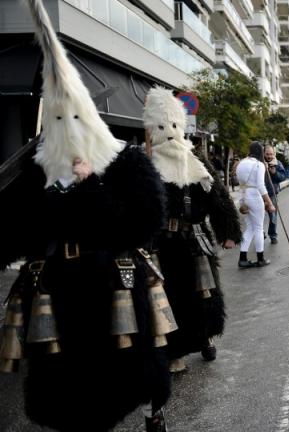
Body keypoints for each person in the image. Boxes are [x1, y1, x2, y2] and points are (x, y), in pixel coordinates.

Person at [0, 2, 171, 430]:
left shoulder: (124, 162)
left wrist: (92, 187)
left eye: (76, 117)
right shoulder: (34, 173)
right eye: (59, 118)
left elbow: (144, 222)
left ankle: (150, 409)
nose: (69, 127)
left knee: (119, 381)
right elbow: (15, 232)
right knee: (65, 398)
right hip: (54, 289)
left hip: (111, 282)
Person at [143, 87, 241, 374]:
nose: (170, 133)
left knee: (206, 294)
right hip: (162, 245)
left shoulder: (196, 161)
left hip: (195, 239)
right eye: (163, 127)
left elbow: (218, 197)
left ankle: (206, 337)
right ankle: (175, 351)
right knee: (169, 299)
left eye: (174, 125)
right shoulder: (146, 164)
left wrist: (228, 230)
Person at [236, 142, 275, 268]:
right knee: (258, 228)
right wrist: (270, 203)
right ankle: (260, 259)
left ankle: (242, 259)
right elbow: (260, 186)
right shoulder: (259, 165)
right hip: (254, 197)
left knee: (250, 228)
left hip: (244, 196)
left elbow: (240, 184)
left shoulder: (241, 163)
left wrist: (242, 202)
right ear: (260, 152)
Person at [265, 145, 287, 245]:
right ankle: (260, 233)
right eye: (267, 154)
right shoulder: (259, 163)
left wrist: (274, 173)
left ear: (274, 154)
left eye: (271, 154)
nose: (269, 156)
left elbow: (283, 177)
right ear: (263, 154)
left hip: (272, 194)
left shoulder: (277, 163)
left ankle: (273, 235)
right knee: (258, 217)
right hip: (260, 194)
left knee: (273, 216)